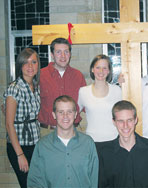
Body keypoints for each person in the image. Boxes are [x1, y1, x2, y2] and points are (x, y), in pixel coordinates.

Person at [27, 95, 98, 187]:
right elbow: (35, 182)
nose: (65, 116)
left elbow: (94, 179)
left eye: (69, 112)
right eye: (61, 112)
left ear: (75, 114)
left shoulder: (88, 143)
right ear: (54, 115)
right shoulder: (42, 146)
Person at [96, 100, 148, 187]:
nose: (125, 126)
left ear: (135, 120)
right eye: (120, 121)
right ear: (114, 122)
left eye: (129, 120)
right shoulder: (105, 153)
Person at [3, 48, 41, 188]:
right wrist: (20, 155)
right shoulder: (14, 88)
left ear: (38, 65)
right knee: (27, 184)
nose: (30, 66)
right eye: (25, 63)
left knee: (36, 183)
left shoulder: (35, 87)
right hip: (19, 146)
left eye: (33, 62)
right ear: (20, 65)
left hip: (35, 144)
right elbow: (9, 124)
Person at [38, 37, 86, 132]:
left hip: (73, 131)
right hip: (48, 132)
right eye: (58, 52)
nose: (63, 56)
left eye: (66, 52)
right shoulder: (41, 75)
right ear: (52, 54)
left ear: (70, 54)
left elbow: (87, 103)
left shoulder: (78, 76)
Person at [78, 54, 121, 142]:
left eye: (105, 68)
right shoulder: (83, 92)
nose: (101, 71)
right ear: (92, 69)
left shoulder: (117, 90)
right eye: (98, 67)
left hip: (114, 140)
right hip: (92, 141)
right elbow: (73, 114)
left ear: (109, 71)